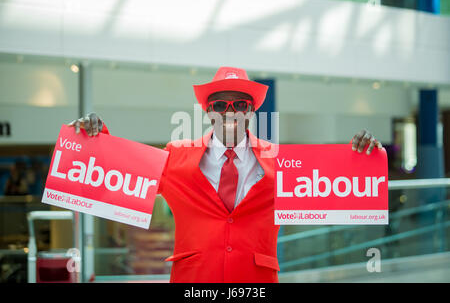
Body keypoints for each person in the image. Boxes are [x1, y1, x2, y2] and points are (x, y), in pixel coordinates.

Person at [68, 66, 383, 283]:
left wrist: (365, 157)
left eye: (240, 103)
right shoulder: (177, 154)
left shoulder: (283, 163)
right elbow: (120, 172)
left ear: (250, 110)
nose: (230, 111)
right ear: (207, 110)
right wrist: (93, 138)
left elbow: (337, 183)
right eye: (220, 104)